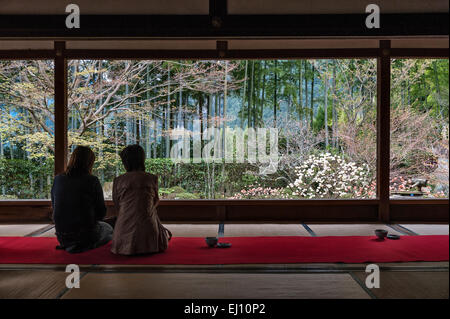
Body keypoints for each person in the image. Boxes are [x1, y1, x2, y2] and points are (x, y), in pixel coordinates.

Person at [111, 144, 171, 255]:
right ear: (142, 160)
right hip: (150, 239)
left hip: (123, 238)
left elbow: (117, 205)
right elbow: (155, 201)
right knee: (151, 212)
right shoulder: (151, 178)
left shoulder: (118, 180)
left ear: (125, 161)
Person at [51, 146, 113, 253]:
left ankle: (72, 245)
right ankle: (82, 246)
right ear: (90, 162)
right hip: (85, 235)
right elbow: (101, 213)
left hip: (61, 236)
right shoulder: (92, 180)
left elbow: (54, 205)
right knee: (109, 229)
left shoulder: (58, 179)